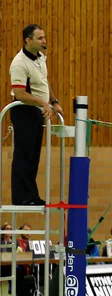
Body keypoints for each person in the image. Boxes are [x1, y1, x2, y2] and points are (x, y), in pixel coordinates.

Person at [9, 24, 63, 206]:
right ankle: (21, 198)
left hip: (37, 112)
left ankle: (31, 196)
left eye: (44, 37)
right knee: (24, 156)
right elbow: (20, 94)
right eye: (40, 38)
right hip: (24, 111)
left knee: (33, 156)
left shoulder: (41, 57)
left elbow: (43, 81)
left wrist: (54, 101)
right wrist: (43, 103)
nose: (44, 41)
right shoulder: (19, 63)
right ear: (28, 40)